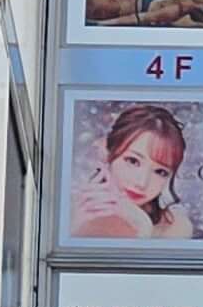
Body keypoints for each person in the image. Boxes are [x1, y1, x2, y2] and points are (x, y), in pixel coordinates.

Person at [79, 100, 195, 239]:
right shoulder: (71, 211)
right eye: (133, 161)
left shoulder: (176, 226)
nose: (142, 183)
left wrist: (142, 224)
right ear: (107, 152)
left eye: (160, 172)